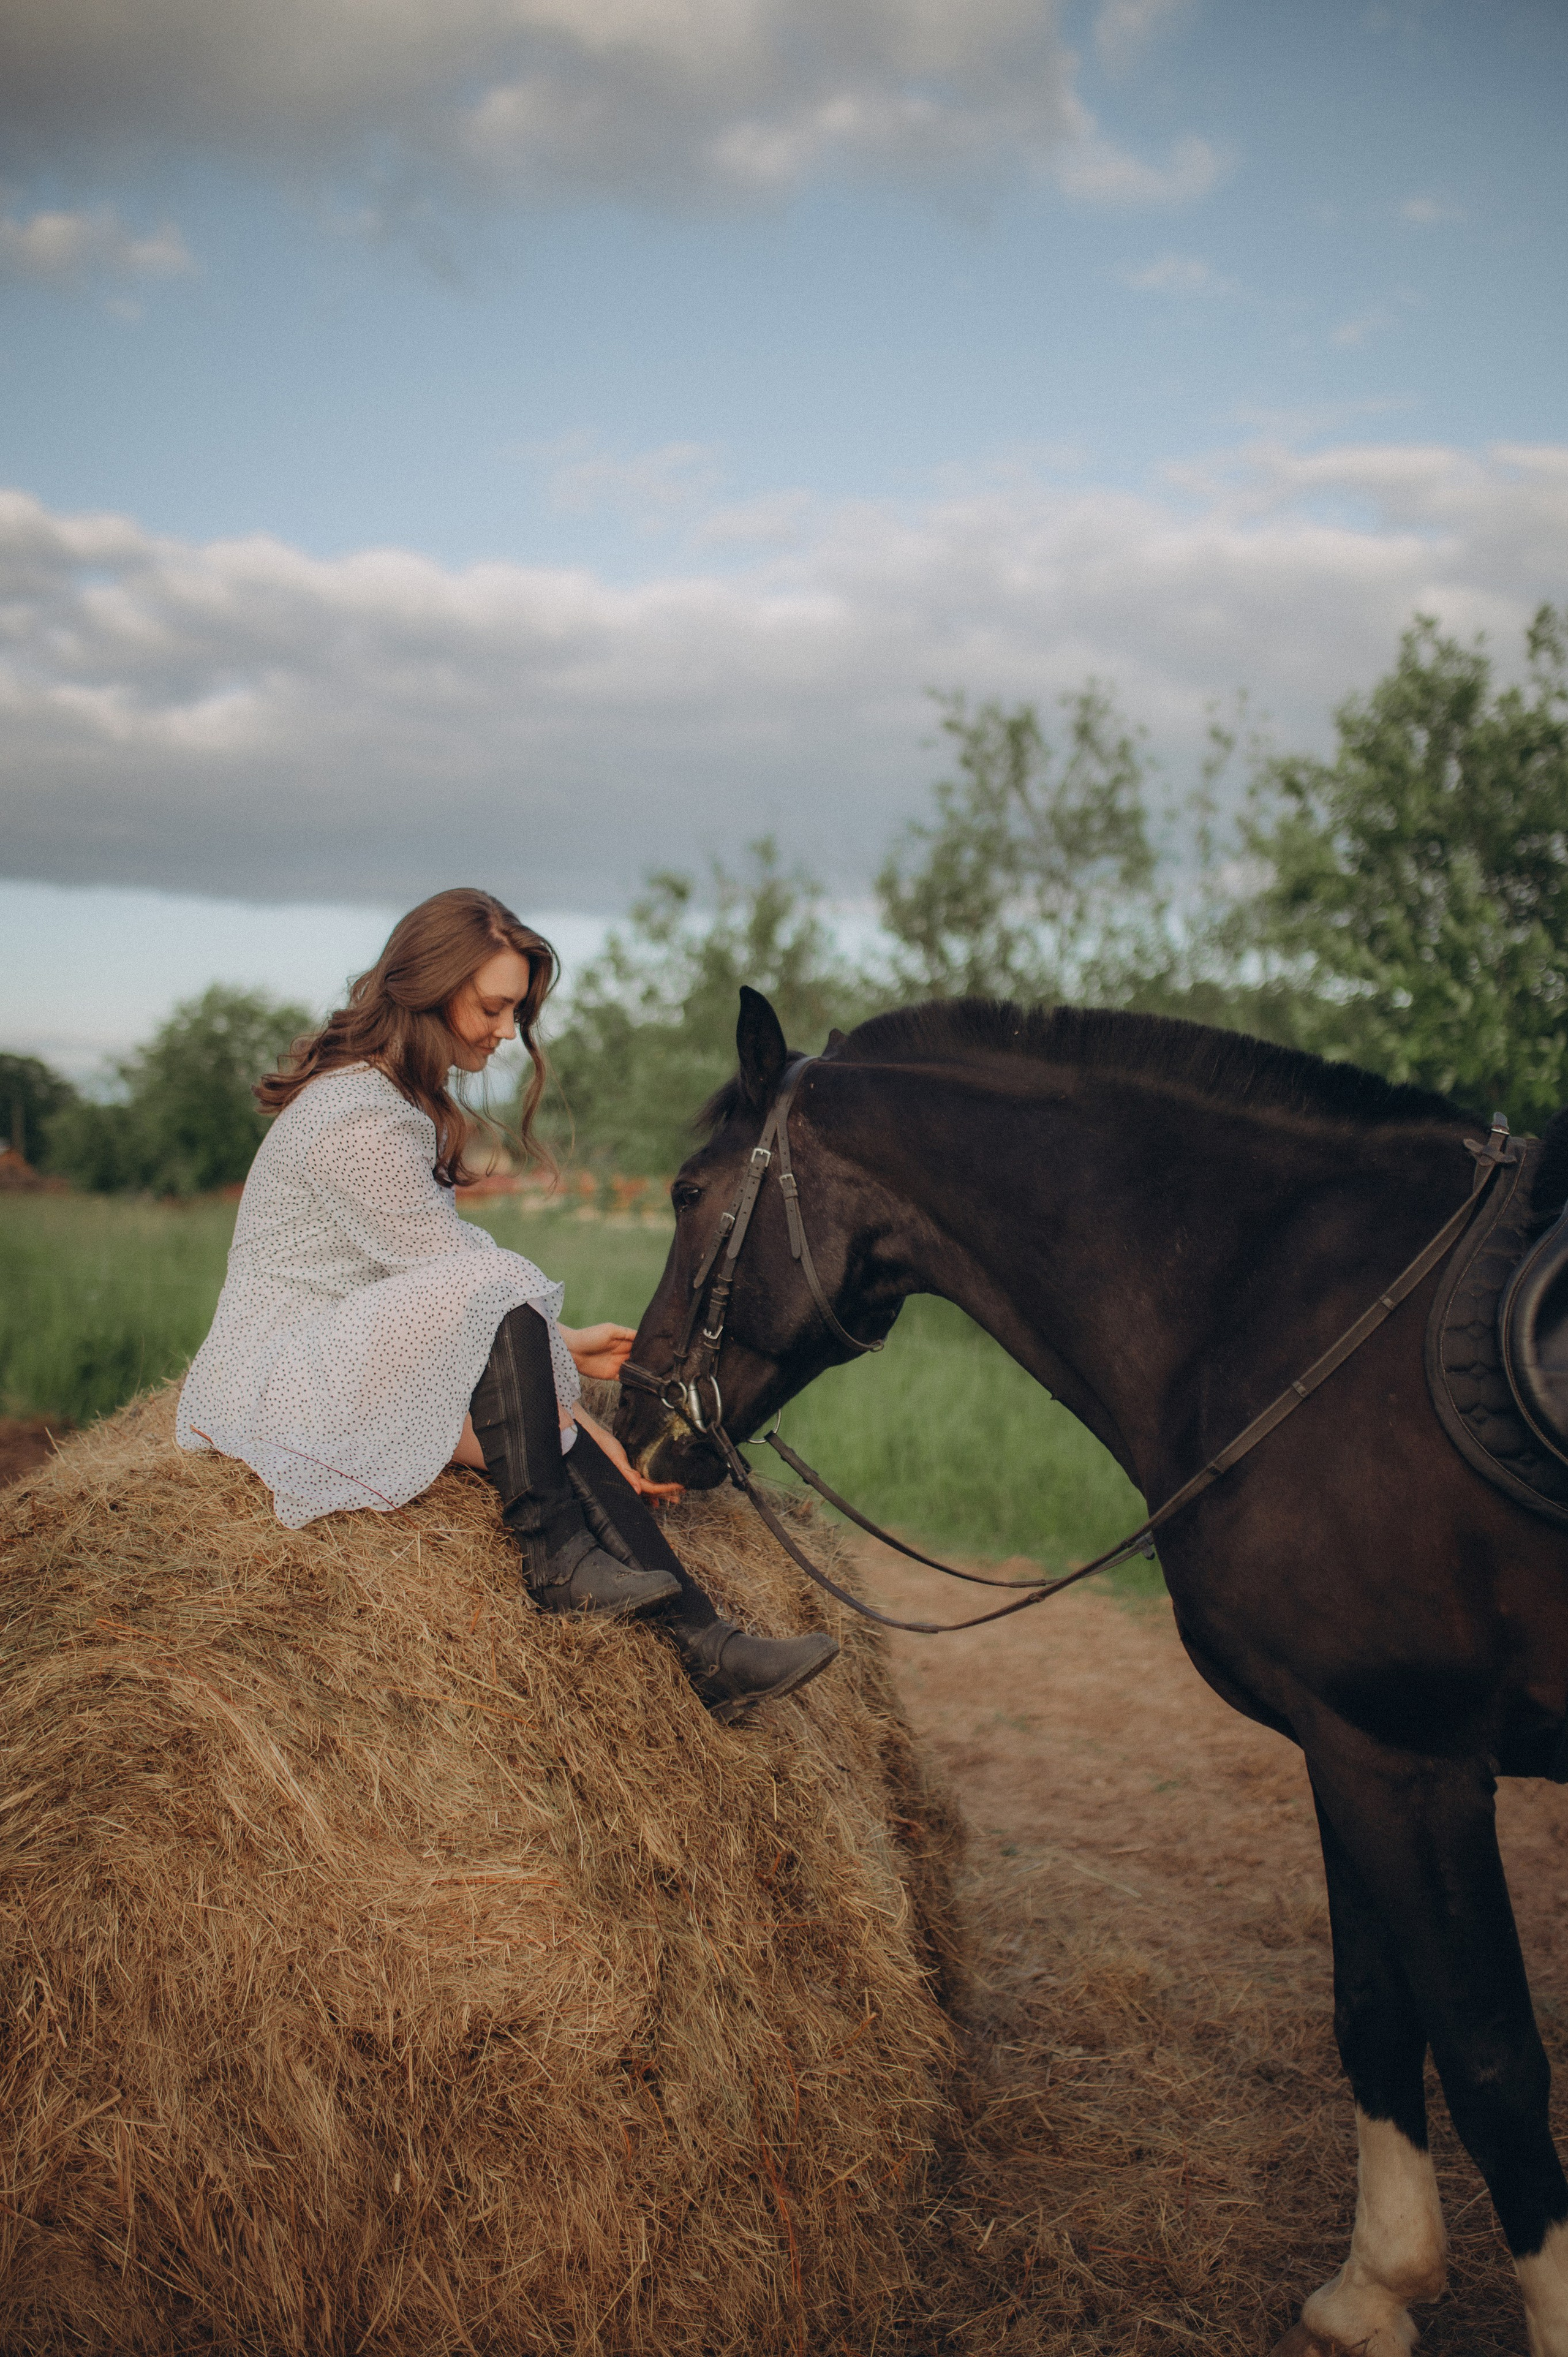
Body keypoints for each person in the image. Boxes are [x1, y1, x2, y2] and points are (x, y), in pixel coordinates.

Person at [176, 887, 838, 1721]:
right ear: (429, 985)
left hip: (341, 1345)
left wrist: (562, 1357)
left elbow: (447, 1275)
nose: (503, 1031)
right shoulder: (355, 1117)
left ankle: (702, 1644)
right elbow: (459, 1277)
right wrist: (568, 1385)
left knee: (535, 1401)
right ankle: (556, 1556)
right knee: (518, 1338)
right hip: (278, 1370)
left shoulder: (395, 1102)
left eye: (516, 1012)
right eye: (493, 1007)